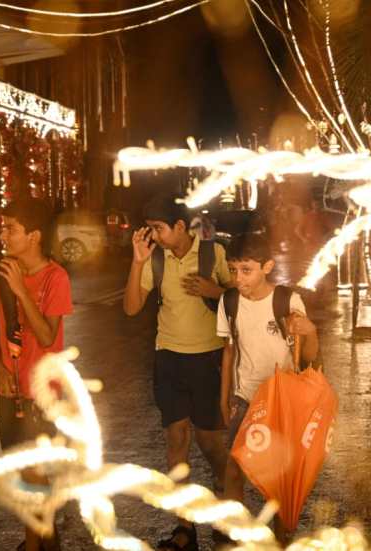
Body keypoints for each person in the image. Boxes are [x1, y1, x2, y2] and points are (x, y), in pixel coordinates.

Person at [123, 194, 233, 551]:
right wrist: (137, 263)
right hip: (168, 358)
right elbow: (131, 308)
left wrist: (213, 290)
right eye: (150, 229)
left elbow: (238, 299)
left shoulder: (211, 255)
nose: (153, 236)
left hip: (208, 359)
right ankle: (184, 528)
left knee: (211, 443)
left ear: (181, 227)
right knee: (177, 441)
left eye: (158, 229)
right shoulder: (156, 258)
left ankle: (226, 512)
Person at [0, 196, 72, 551]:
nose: (4, 235)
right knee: (23, 482)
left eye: (11, 229)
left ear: (33, 235)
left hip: (42, 396)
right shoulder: (1, 273)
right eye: (3, 228)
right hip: (9, 395)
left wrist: (22, 290)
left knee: (35, 483)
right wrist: (0, 368)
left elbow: (48, 336)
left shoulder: (55, 278)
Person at [217, 234, 319, 544]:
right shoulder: (229, 301)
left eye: (246, 270)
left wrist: (310, 331)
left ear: (267, 267)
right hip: (245, 397)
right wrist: (225, 399)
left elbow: (309, 355)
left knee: (278, 479)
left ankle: (282, 540)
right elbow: (229, 351)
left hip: (281, 401)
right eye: (233, 270)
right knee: (234, 470)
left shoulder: (287, 301)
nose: (238, 278)